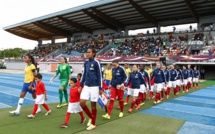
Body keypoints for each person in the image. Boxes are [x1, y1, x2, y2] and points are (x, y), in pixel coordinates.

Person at [79, 48, 103, 131]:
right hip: (86, 86)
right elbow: (84, 74)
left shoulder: (96, 63)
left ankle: (93, 124)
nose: (87, 53)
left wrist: (100, 88)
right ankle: (91, 118)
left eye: (89, 52)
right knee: (81, 103)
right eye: (87, 52)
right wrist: (81, 84)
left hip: (95, 87)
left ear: (93, 54)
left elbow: (100, 76)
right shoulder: (86, 63)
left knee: (93, 105)